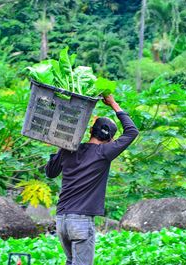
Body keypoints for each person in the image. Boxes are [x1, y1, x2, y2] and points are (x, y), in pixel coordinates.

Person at [45, 95, 139, 265]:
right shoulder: (104, 153)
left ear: (90, 132)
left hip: (62, 220)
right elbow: (132, 132)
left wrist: (61, 143)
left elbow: (50, 172)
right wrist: (113, 103)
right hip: (80, 221)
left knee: (70, 261)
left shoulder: (69, 150)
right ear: (110, 139)